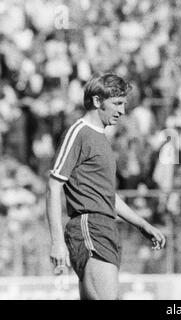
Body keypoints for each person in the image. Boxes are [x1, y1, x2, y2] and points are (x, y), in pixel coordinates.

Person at [46, 73, 166, 300]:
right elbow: (53, 187)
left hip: (105, 226)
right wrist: (57, 243)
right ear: (97, 101)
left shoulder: (101, 138)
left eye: (124, 104)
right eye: (117, 103)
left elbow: (107, 196)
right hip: (90, 226)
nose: (122, 111)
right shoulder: (78, 132)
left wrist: (142, 224)